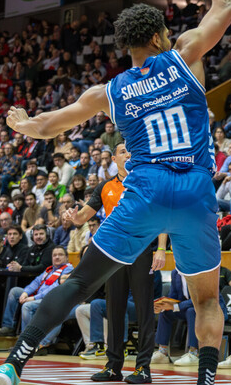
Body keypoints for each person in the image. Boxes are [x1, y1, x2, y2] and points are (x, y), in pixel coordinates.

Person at [0, 0, 231, 385]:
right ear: (161, 37)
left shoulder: (108, 93)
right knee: (206, 300)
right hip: (197, 192)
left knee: (80, 283)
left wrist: (24, 124)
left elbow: (47, 127)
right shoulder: (186, 58)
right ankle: (206, 380)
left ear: (126, 47)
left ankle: (14, 363)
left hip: (144, 193)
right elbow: (228, 4)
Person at [62, 142, 166, 381]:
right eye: (122, 151)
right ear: (114, 160)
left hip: (141, 250)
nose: (127, 154)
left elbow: (161, 217)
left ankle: (143, 368)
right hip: (113, 252)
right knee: (114, 309)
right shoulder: (105, 186)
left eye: (131, 151)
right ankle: (113, 366)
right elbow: (82, 217)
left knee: (144, 309)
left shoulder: (146, 182)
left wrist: (160, 249)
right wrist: (72, 216)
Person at [151, 269, 228, 366]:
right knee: (166, 312)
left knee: (192, 311)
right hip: (188, 308)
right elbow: (173, 296)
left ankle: (193, 353)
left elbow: (199, 298)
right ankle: (162, 352)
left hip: (210, 309)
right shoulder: (175, 273)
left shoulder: (199, 272)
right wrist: (163, 306)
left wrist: (175, 307)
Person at [0, 247, 73, 336]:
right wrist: (25, 293)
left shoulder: (68, 270)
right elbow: (36, 282)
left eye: (60, 255)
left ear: (67, 257)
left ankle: (27, 338)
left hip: (50, 299)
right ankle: (8, 326)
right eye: (54, 255)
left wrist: (34, 298)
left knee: (27, 306)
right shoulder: (50, 269)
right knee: (15, 291)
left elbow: (54, 288)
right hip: (38, 295)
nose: (57, 257)